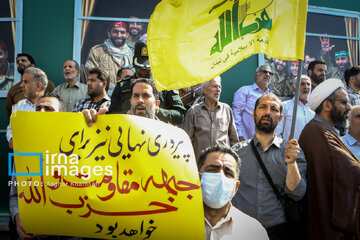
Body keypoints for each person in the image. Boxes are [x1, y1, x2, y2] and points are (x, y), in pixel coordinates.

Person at [232, 93, 307, 239]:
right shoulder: (235, 153)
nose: (267, 112)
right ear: (253, 114)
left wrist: (291, 164)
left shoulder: (292, 152)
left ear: (280, 118)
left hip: (278, 232)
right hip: (241, 231)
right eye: (263, 107)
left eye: (274, 109)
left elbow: (297, 193)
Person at [298, 78, 360, 240]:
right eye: (343, 102)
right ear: (326, 105)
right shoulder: (317, 131)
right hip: (326, 222)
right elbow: (349, 169)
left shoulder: (325, 130)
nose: (348, 108)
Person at [9, 93, 69, 240]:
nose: (41, 112)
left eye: (48, 109)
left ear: (61, 116)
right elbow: (15, 194)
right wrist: (18, 218)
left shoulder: (75, 150)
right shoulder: (25, 148)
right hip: (30, 232)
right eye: (38, 108)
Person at [198, 145, 269, 240]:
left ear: (235, 187)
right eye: (212, 170)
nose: (220, 177)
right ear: (198, 177)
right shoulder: (176, 220)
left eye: (228, 173)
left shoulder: (253, 232)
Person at [108, 40, 186, 126]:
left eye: (148, 70)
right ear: (134, 64)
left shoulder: (165, 84)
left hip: (157, 134)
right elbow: (111, 115)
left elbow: (180, 115)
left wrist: (158, 111)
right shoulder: (123, 86)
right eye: (140, 69)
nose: (144, 72)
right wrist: (126, 114)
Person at [184, 77, 239, 160]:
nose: (218, 90)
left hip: (223, 162)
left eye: (219, 87)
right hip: (202, 164)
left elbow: (234, 139)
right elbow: (187, 141)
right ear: (204, 90)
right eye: (215, 86)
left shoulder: (226, 109)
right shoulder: (193, 111)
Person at [83, 78, 160, 126]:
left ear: (157, 104)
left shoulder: (168, 135)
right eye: (136, 96)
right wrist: (89, 124)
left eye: (146, 95)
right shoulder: (116, 131)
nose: (140, 100)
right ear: (130, 101)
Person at [6, 67, 48, 149]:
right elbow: (11, 128)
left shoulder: (52, 106)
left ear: (38, 86)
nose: (21, 85)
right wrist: (11, 139)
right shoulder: (19, 105)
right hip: (23, 156)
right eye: (22, 82)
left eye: (26, 82)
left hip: (45, 155)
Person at [85, 21, 133, 88]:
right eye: (115, 32)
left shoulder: (130, 53)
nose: (119, 35)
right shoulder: (97, 51)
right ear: (109, 34)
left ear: (127, 35)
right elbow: (92, 74)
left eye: (122, 32)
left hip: (126, 93)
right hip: (105, 94)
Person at [6, 53, 55, 119]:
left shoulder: (48, 85)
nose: (20, 62)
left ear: (32, 65)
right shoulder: (13, 90)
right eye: (17, 62)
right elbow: (11, 114)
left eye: (23, 60)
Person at [232, 65, 272, 141]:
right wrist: (239, 135)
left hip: (266, 142)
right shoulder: (244, 91)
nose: (268, 75)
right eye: (265, 71)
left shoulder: (272, 96)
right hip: (246, 140)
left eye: (270, 73)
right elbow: (236, 114)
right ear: (256, 74)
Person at [276, 75, 314, 140]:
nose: (306, 87)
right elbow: (277, 133)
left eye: (308, 84)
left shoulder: (314, 109)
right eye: (302, 84)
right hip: (289, 149)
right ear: (293, 89)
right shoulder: (285, 106)